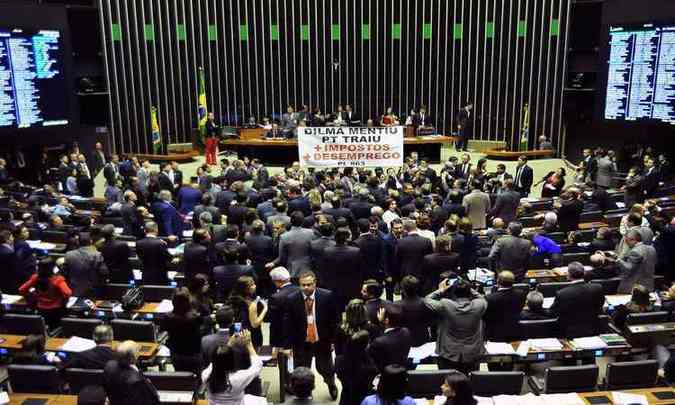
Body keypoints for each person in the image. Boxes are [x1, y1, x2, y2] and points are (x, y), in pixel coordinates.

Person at [284, 271, 339, 400]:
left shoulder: (327, 296)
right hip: (301, 342)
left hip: (322, 340)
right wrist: (287, 345)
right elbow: (288, 323)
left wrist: (333, 341)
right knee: (302, 371)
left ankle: (331, 384)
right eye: (303, 285)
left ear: (315, 283)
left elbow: (334, 320)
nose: (306, 288)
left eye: (309, 284)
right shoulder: (292, 299)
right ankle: (305, 393)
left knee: (326, 368)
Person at [424, 278, 487, 376]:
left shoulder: (445, 305)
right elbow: (482, 298)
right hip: (472, 353)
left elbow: (427, 300)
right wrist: (468, 288)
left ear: (453, 292)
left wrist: (441, 290)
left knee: (448, 384)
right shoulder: (479, 305)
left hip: (448, 352)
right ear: (469, 292)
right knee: (469, 384)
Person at [202, 331, 263, 405]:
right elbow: (258, 365)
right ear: (232, 361)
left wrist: (229, 344)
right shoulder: (238, 378)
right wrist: (249, 344)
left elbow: (216, 362)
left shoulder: (206, 375)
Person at [549, 262, 605, 337]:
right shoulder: (597, 288)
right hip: (593, 329)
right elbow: (600, 305)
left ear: (568, 275)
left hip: (568, 332)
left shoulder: (562, 294)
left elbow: (553, 312)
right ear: (584, 273)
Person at [19, 258, 72, 330]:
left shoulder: (35, 278)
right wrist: (62, 300)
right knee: (55, 329)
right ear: (53, 268)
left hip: (40, 309)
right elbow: (68, 293)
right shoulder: (58, 280)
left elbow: (21, 290)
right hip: (56, 311)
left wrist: (32, 295)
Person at [161, 288, 205, 374]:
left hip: (177, 353)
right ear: (188, 300)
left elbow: (163, 330)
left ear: (173, 301)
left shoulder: (167, 317)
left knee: (181, 378)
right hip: (194, 353)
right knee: (196, 379)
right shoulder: (195, 317)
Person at [103, 341, 160, 405]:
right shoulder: (136, 381)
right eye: (138, 352)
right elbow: (150, 399)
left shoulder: (109, 366)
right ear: (134, 357)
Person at [321, 228, 363, 313]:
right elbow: (360, 271)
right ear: (347, 238)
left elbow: (324, 270)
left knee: (336, 311)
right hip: (351, 286)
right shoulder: (355, 251)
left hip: (333, 285)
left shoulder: (327, 251)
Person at [266, 212, 317, 279]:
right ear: (302, 221)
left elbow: (281, 258)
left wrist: (273, 263)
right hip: (308, 268)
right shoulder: (311, 233)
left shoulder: (284, 237)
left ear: (290, 221)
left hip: (292, 270)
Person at [336, 331, 378, 405]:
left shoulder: (339, 360)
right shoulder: (369, 365)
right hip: (361, 398)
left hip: (346, 398)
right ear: (364, 345)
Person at [482, 271, 527, 342]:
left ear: (498, 281)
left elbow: (485, 317)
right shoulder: (521, 294)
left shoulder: (490, 298)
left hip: (495, 334)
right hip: (515, 331)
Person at [368, 305, 413, 372]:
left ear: (386, 320)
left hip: (386, 377)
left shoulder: (378, 342)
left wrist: (380, 323)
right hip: (403, 371)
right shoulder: (406, 332)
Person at [228, 276, 268, 350]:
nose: (255, 286)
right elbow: (255, 324)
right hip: (250, 335)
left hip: (236, 333)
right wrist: (265, 309)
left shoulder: (232, 299)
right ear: (245, 289)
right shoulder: (250, 303)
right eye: (252, 285)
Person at [268, 267, 299, 354]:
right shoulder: (301, 291)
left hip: (283, 337)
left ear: (278, 281)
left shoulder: (275, 297)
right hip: (301, 333)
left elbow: (273, 321)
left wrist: (274, 343)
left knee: (284, 364)